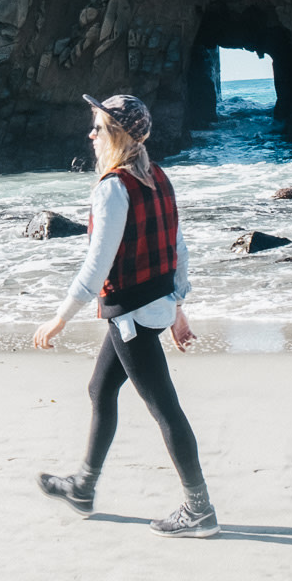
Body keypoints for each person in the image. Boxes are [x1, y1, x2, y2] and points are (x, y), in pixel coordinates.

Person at [32, 93, 218, 538]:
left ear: (115, 135)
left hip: (132, 315)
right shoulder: (159, 177)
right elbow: (177, 250)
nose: (91, 134)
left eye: (98, 127)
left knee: (165, 409)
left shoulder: (114, 187)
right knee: (101, 388)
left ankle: (199, 510)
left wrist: (61, 317)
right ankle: (82, 486)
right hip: (149, 308)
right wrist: (177, 308)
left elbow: (97, 266)